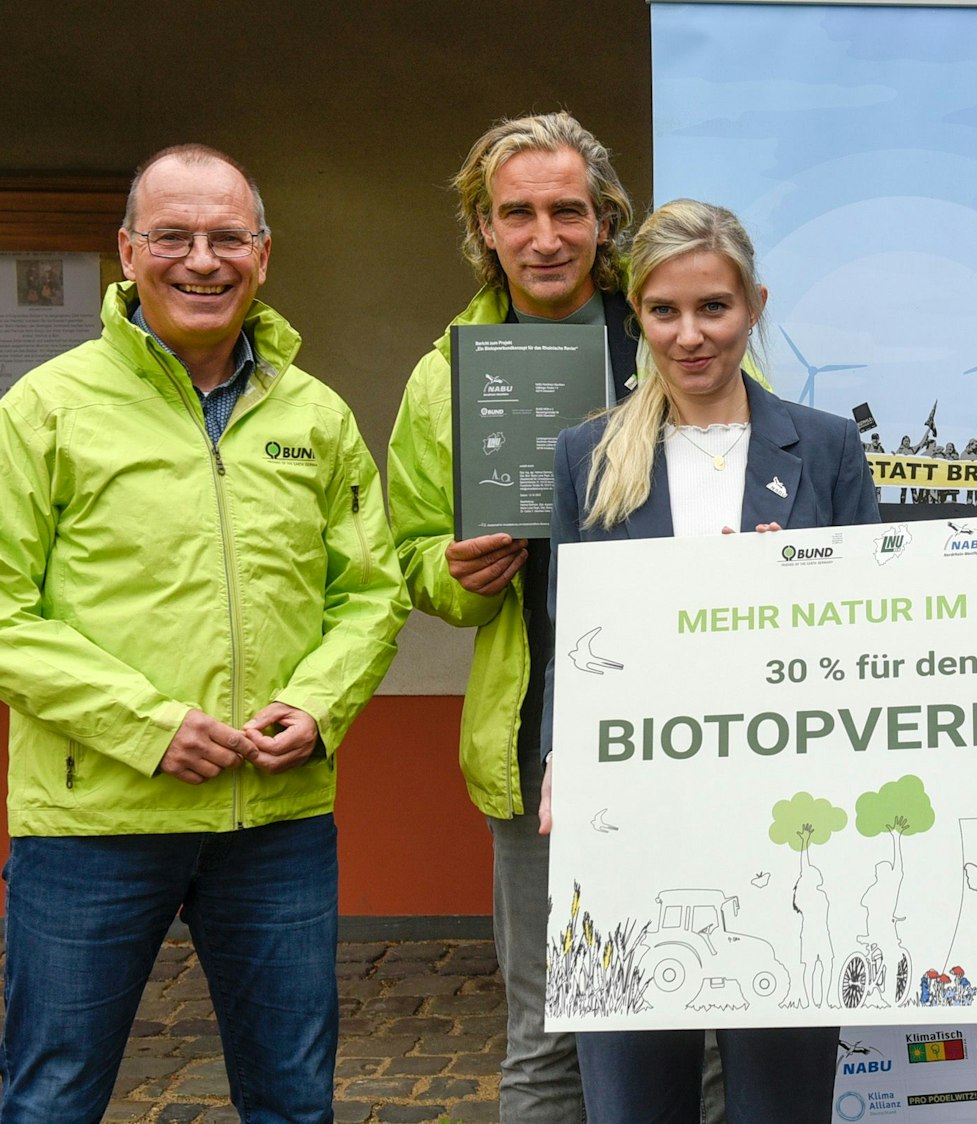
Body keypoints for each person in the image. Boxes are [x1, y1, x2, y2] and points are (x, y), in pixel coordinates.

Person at [0, 144, 407, 1122]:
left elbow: (371, 592)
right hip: (92, 823)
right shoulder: (45, 409)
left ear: (262, 253)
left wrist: (318, 702)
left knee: (294, 1100)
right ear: (128, 250)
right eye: (172, 235)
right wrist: (148, 723)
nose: (200, 259)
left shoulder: (316, 417)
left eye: (225, 236)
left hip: (277, 824)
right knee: (52, 1100)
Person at [539, 198, 876, 1124]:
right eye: (664, 312)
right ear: (636, 314)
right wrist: (560, 763)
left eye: (714, 308)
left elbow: (873, 628)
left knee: (780, 1098)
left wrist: (797, 586)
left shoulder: (828, 446)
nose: (690, 337)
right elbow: (571, 634)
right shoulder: (585, 457)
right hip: (638, 811)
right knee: (634, 1094)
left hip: (790, 808)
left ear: (754, 304)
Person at [386, 110, 642, 1122]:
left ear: (604, 220)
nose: (545, 235)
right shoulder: (446, 373)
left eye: (567, 210)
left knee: (705, 1021)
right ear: (483, 228)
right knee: (547, 1037)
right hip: (536, 740)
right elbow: (408, 557)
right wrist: (458, 574)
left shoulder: (665, 332)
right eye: (517, 212)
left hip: (684, 730)